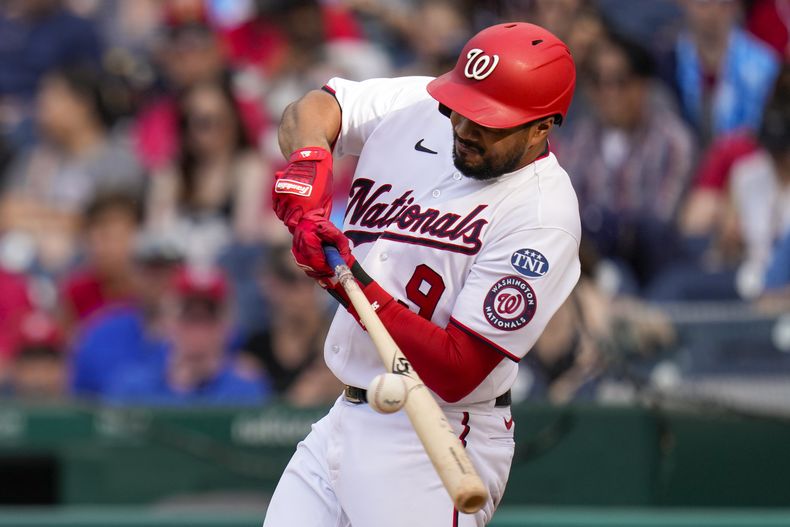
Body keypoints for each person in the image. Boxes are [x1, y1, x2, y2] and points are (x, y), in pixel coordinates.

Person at [264, 23, 581, 526]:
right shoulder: (421, 103)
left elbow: (458, 371)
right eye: (462, 108)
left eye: (488, 121)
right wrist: (311, 161)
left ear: (542, 127)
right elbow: (311, 109)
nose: (465, 127)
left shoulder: (543, 214)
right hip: (345, 413)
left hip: (438, 433)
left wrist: (345, 282)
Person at [558, 31, 695, 290]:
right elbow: (568, 213)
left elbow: (661, 217)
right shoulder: (579, 139)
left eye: (619, 81)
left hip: (656, 264)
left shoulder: (673, 140)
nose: (608, 93)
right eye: (599, 82)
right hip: (591, 262)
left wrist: (610, 227)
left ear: (643, 85)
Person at [106, 265, 269, 406]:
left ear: (226, 325)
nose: (197, 330)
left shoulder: (244, 390)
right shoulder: (134, 387)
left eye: (208, 318)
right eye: (188, 317)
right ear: (167, 320)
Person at [237, 244, 341, 407]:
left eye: (309, 276)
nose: (301, 288)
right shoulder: (254, 348)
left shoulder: (336, 344)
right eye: (288, 278)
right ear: (270, 283)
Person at [59, 191, 143, 335]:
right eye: (98, 239)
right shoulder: (75, 291)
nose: (105, 249)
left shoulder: (149, 293)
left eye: (116, 238)